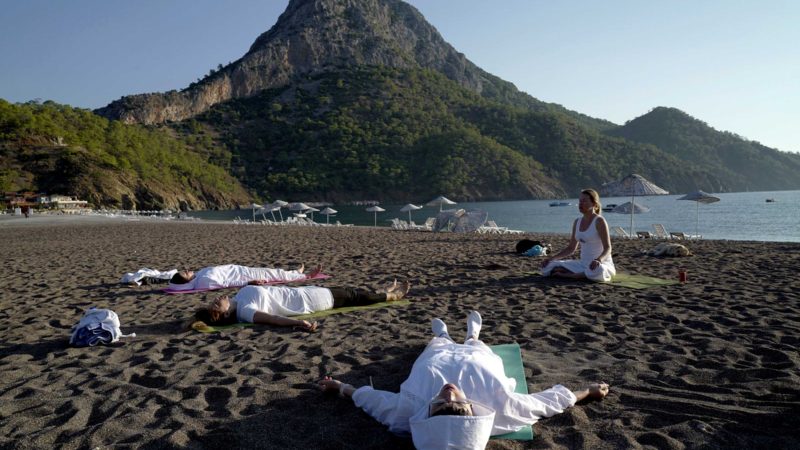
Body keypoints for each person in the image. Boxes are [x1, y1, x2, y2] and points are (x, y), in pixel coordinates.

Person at [318, 311, 609, 449]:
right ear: (472, 414)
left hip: (437, 359)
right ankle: (472, 335)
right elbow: (550, 402)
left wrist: (340, 386)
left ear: (430, 414)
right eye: (458, 406)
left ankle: (444, 335)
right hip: (478, 360)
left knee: (438, 345)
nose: (449, 395)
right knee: (476, 348)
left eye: (442, 406)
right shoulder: (503, 409)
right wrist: (588, 391)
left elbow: (369, 400)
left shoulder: (406, 414)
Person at [192, 280, 411, 332]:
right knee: (353, 296)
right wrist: (300, 323)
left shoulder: (239, 296)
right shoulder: (245, 311)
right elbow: (273, 320)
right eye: (215, 304)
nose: (216, 299)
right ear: (221, 314)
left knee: (350, 291)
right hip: (310, 301)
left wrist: (253, 284)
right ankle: (392, 295)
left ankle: (385, 293)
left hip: (304, 290)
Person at [541, 189, 615, 282]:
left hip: (601, 264)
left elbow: (608, 248)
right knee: (547, 267)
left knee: (598, 271)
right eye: (580, 201)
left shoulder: (599, 221)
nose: (581, 203)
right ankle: (579, 273)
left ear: (594, 204)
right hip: (583, 264)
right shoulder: (577, 222)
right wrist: (551, 259)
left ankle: (572, 276)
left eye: (584, 201)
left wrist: (598, 260)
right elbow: (571, 248)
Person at [168, 263, 319, 291]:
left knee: (271, 271)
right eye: (185, 273)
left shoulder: (198, 276)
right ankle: (304, 276)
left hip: (240, 269)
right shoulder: (203, 281)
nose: (187, 270)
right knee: (272, 274)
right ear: (186, 281)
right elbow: (227, 283)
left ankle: (296, 273)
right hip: (243, 275)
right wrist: (248, 282)